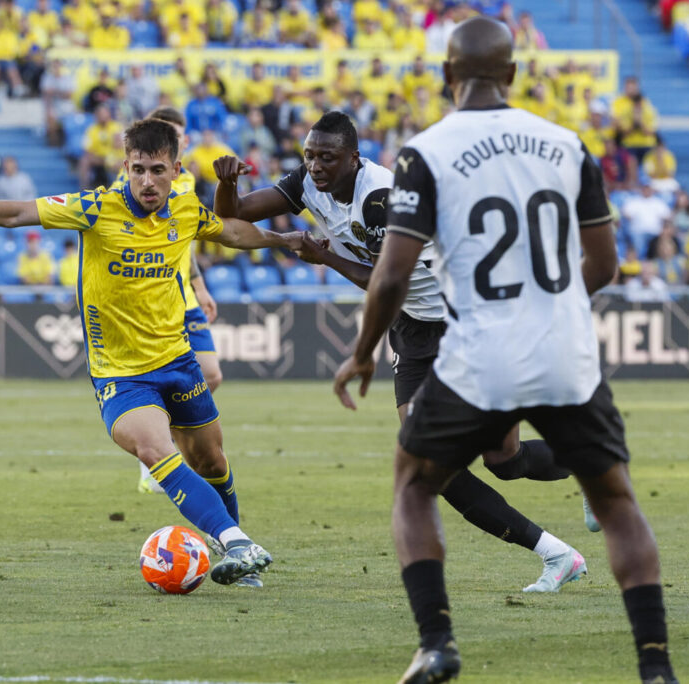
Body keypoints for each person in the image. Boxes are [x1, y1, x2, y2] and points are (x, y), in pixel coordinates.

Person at [332, 17, 677, 684]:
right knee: (617, 503)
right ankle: (656, 666)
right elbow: (602, 265)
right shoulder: (567, 144)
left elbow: (394, 273)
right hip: (565, 353)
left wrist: (365, 351)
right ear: (515, 74)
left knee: (413, 485)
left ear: (446, 77)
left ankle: (436, 642)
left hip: (479, 355)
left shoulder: (424, 152)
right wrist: (550, 311)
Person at [0, 118, 302, 587]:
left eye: (158, 170)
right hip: (120, 375)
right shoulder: (94, 207)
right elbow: (16, 213)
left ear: (176, 170)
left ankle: (238, 552)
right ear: (126, 166)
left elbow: (233, 233)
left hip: (179, 363)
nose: (148, 180)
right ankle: (237, 542)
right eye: (139, 169)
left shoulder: (185, 210)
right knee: (154, 449)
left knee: (213, 463)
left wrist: (283, 240)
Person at [213, 111, 587, 593]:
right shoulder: (308, 182)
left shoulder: (383, 198)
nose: (316, 166)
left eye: (327, 157)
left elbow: (387, 281)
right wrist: (225, 184)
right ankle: (556, 554)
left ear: (354, 158)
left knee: (504, 459)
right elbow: (235, 213)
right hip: (414, 330)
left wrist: (322, 255)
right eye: (309, 156)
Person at [110, 107, 225, 495]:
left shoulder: (186, 182)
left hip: (186, 292)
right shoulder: (130, 183)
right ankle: (157, 456)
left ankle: (168, 449)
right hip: (153, 297)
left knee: (211, 375)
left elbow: (184, 239)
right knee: (167, 380)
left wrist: (200, 284)